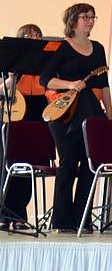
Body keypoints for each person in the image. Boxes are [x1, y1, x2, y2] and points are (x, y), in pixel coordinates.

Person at [40, 3, 112, 233]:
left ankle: (82, 218)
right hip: (65, 112)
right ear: (73, 20)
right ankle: (62, 220)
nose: (90, 21)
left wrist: (109, 112)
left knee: (90, 164)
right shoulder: (60, 47)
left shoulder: (98, 48)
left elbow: (104, 83)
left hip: (90, 110)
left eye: (93, 17)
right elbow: (45, 79)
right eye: (85, 17)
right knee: (68, 163)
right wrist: (71, 84)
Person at [0, 24, 46, 230]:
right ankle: (3, 213)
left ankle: (19, 215)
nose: (34, 39)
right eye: (29, 35)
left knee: (29, 164)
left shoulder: (44, 63)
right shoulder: (9, 61)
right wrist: (11, 79)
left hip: (37, 110)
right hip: (14, 111)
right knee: (8, 163)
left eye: (37, 36)